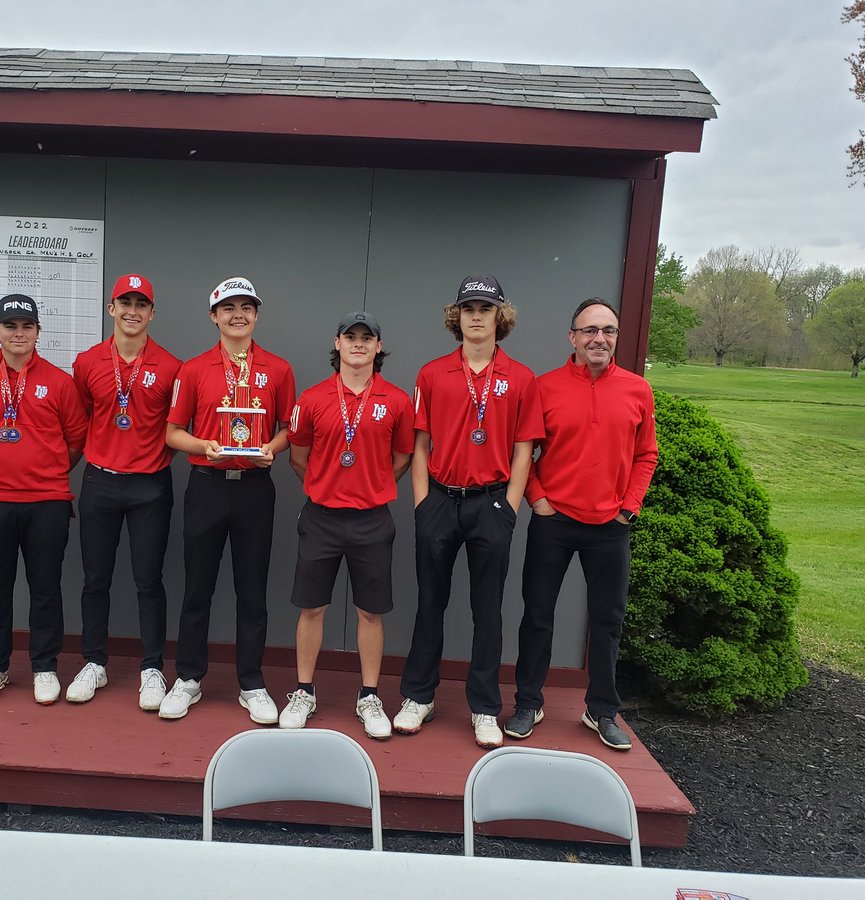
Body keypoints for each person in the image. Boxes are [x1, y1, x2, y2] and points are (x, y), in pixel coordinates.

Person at [393, 275, 543, 748]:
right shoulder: (432, 373)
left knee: (488, 610)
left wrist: (509, 508)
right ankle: (419, 695)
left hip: (491, 503)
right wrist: (421, 503)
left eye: (485, 307)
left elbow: (525, 450)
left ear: (501, 316)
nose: (476, 315)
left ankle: (484, 707)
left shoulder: (521, 378)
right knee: (429, 604)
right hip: (440, 497)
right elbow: (420, 443)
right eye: (468, 308)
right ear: (456, 317)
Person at [508, 298, 657, 750]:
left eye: (608, 330)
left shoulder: (637, 389)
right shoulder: (543, 387)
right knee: (537, 615)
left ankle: (601, 710)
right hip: (555, 521)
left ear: (616, 337)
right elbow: (523, 451)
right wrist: (537, 498)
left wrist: (629, 506)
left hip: (611, 524)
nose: (599, 338)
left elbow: (645, 454)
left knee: (608, 620)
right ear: (572, 338)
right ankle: (528, 702)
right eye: (589, 330)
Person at [161, 276, 296, 724]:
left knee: (252, 589)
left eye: (247, 307)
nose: (238, 314)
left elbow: (285, 429)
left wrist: (271, 450)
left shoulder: (278, 369)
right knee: (197, 586)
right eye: (229, 307)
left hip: (255, 489)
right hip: (208, 484)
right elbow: (172, 433)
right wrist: (205, 447)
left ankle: (252, 683)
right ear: (213, 315)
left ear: (256, 315)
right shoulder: (193, 369)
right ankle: (188, 678)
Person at [280, 312, 414, 740]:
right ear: (337, 344)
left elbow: (403, 457)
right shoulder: (314, 397)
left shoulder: (396, 400)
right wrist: (327, 487)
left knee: (370, 612)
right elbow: (298, 457)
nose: (359, 344)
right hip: (321, 517)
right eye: (350, 337)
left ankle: (369, 695)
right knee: (311, 606)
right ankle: (303, 691)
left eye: (367, 337)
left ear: (378, 347)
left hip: (372, 520)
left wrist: (371, 487)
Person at [0, 294, 87, 706]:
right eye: (10, 326)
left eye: (26, 326)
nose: (18, 333)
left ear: (37, 332)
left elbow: (76, 439)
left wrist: (44, 470)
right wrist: (1, 467)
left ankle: (45, 666)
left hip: (47, 501)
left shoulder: (59, 381)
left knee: (45, 587)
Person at [67, 274, 181, 711]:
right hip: (99, 481)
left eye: (141, 303)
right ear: (110, 308)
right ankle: (94, 661)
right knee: (95, 578)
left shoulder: (172, 368)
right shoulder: (88, 361)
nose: (132, 311)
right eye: (124, 302)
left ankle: (152, 668)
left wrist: (150, 465)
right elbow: (82, 419)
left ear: (152, 313)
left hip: (150, 485)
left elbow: (176, 429)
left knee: (148, 580)